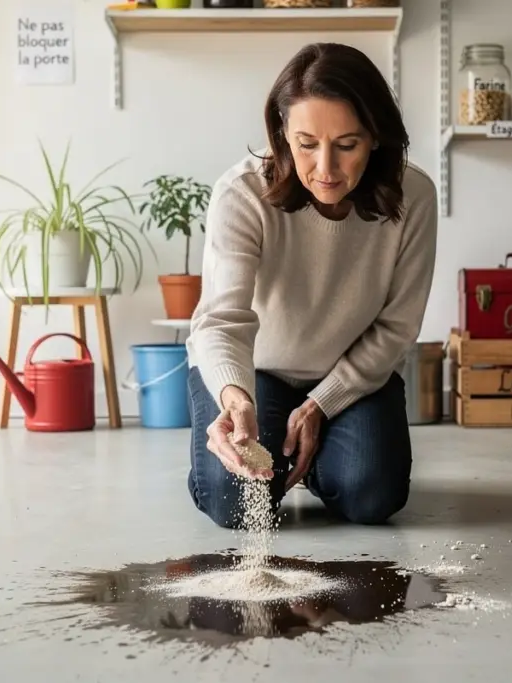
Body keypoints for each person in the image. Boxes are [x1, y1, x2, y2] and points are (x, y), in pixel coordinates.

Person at [184, 42, 438, 529]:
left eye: (347, 145)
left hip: (349, 376)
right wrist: (235, 400)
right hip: (255, 372)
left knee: (371, 497)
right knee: (236, 502)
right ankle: (275, 459)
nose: (326, 168)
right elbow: (222, 320)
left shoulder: (415, 197)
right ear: (281, 132)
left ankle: (316, 463)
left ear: (377, 138)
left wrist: (322, 405)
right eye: (306, 144)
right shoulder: (242, 195)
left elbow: (397, 326)